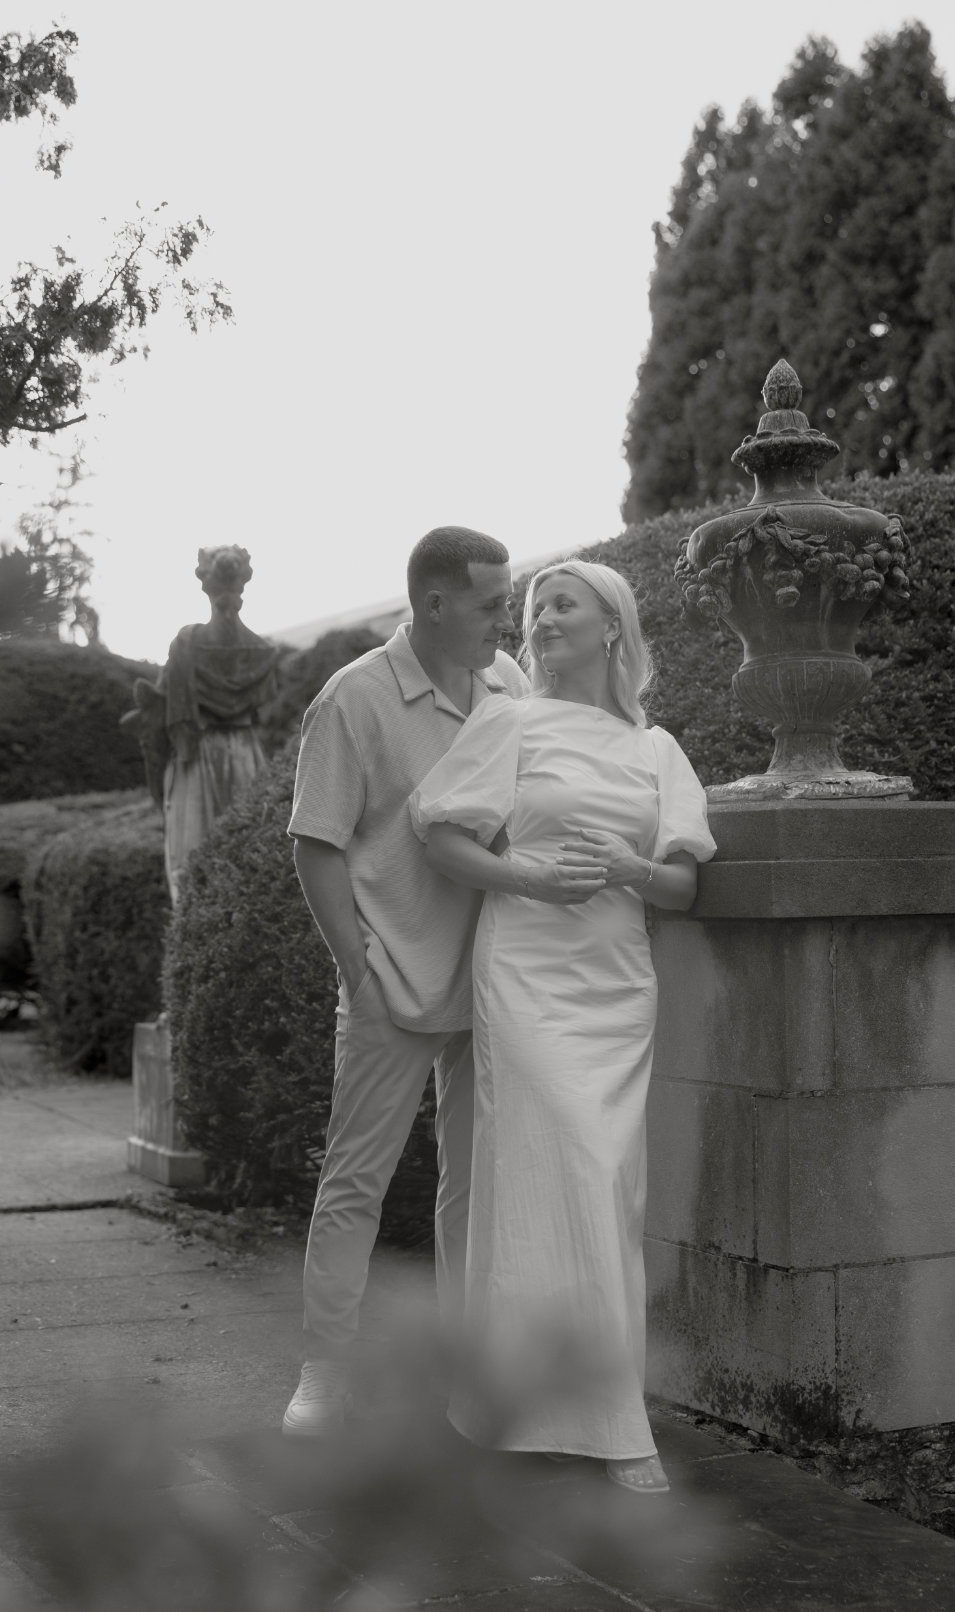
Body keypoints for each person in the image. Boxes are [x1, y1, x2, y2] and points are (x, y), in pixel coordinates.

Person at [409, 559, 716, 1495]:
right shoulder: (510, 720)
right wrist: (531, 877)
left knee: (607, 1185)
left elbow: (683, 884)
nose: (538, 619)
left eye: (560, 605)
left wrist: (628, 865)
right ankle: (617, 1430)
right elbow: (441, 832)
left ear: (611, 627)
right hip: (528, 973)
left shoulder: (655, 748)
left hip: (615, 983)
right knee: (561, 1172)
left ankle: (533, 1402)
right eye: (534, 607)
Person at [283, 526, 530, 1436]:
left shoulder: (510, 686)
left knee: (473, 1188)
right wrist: (358, 968)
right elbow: (316, 846)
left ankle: (461, 1375)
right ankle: (323, 1372)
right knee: (356, 1184)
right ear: (433, 604)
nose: (506, 617)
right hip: (390, 980)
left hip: (493, 983)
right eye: (490, 602)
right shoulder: (354, 697)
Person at [125, 545, 278, 903]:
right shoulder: (262, 651)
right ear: (242, 586)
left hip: (197, 759)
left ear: (205, 587)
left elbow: (168, 721)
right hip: (246, 757)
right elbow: (266, 716)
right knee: (251, 855)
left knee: (194, 866)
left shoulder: (186, 645)